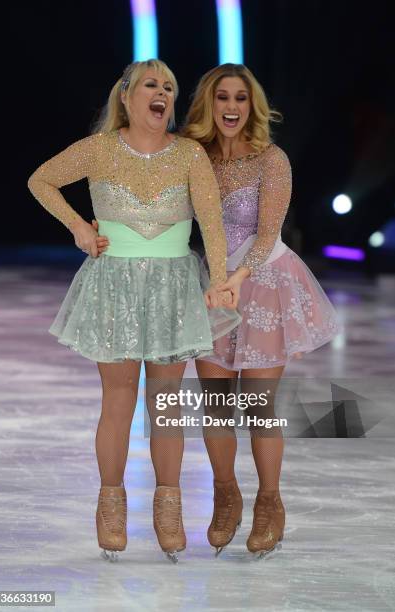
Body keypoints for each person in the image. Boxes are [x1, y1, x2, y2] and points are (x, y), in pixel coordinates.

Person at [27, 59, 241, 563]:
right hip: (115, 284)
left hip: (174, 284)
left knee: (165, 401)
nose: (162, 92)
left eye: (168, 86)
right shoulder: (99, 149)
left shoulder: (189, 154)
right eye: (151, 85)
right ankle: (111, 504)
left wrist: (218, 281)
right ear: (125, 96)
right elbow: (41, 180)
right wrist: (80, 227)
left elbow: (210, 221)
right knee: (119, 397)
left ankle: (169, 507)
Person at [182, 63, 340, 557]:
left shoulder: (272, 159)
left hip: (262, 281)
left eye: (240, 99)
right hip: (211, 286)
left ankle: (270, 501)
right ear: (209, 104)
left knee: (256, 403)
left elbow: (269, 231)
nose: (231, 107)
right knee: (216, 402)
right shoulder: (192, 157)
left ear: (252, 106)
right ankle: (226, 494)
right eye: (222, 98)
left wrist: (236, 279)